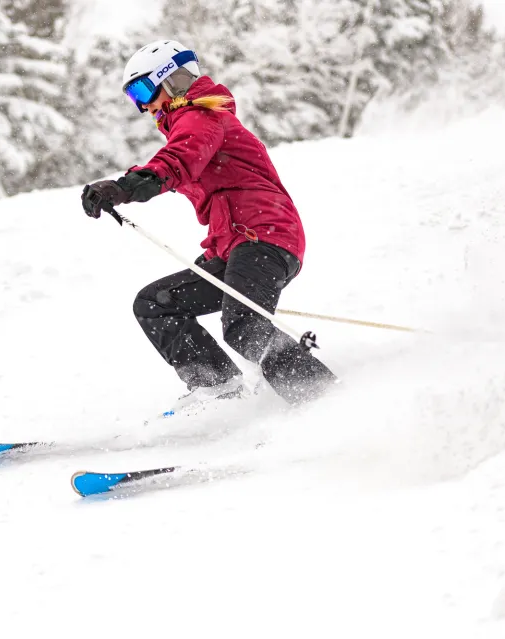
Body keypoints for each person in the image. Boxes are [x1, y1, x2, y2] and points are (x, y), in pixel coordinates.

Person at [81, 39, 337, 408]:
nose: (143, 106)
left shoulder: (202, 116)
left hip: (263, 237)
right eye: (133, 98)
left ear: (170, 79)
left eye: (142, 90)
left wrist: (125, 187)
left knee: (244, 326)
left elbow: (176, 161)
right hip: (233, 246)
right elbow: (181, 163)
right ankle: (217, 389)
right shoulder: (191, 122)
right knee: (156, 305)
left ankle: (321, 399)